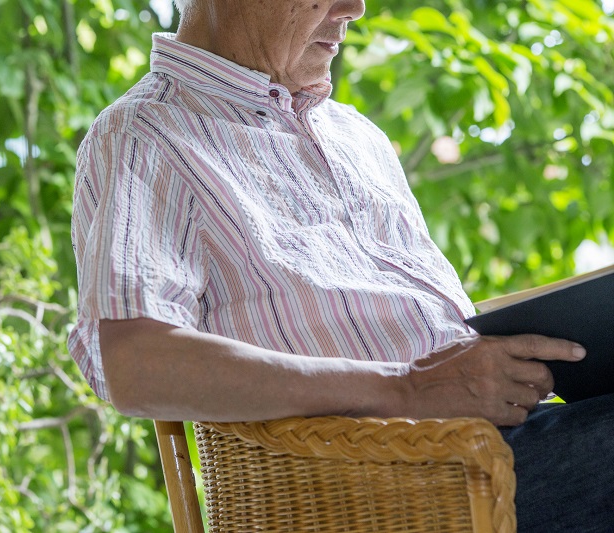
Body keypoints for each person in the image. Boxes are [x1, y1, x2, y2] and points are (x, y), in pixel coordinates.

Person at [68, 0, 614, 530]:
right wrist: (407, 388)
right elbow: (136, 363)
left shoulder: (358, 137)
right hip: (389, 486)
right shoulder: (146, 133)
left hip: (509, 442)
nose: (355, 7)